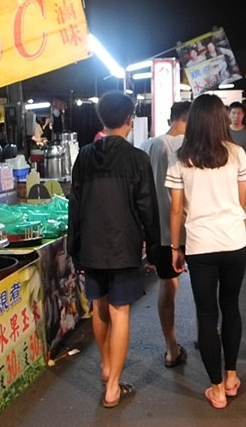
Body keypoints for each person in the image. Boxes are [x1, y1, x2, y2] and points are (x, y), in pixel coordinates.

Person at [67, 91, 160, 409]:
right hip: (123, 247)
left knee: (98, 307)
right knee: (120, 312)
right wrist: (156, 249)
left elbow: (74, 206)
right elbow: (148, 208)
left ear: (102, 120)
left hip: (91, 246)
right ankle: (113, 388)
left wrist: (74, 248)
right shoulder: (137, 159)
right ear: (129, 120)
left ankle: (106, 365)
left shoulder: (84, 156)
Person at [166, 94, 246, 409]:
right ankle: (230, 376)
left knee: (206, 314)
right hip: (234, 241)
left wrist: (176, 247)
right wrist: (240, 229)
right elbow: (243, 202)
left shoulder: (180, 158)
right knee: (231, 307)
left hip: (200, 245)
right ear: (221, 120)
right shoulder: (237, 154)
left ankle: (216, 388)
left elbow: (176, 210)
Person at [139, 101, 191, 369]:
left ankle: (171, 347)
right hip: (187, 228)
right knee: (199, 285)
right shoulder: (184, 146)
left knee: (167, 285)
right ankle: (207, 335)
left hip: (157, 229)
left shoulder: (148, 145)